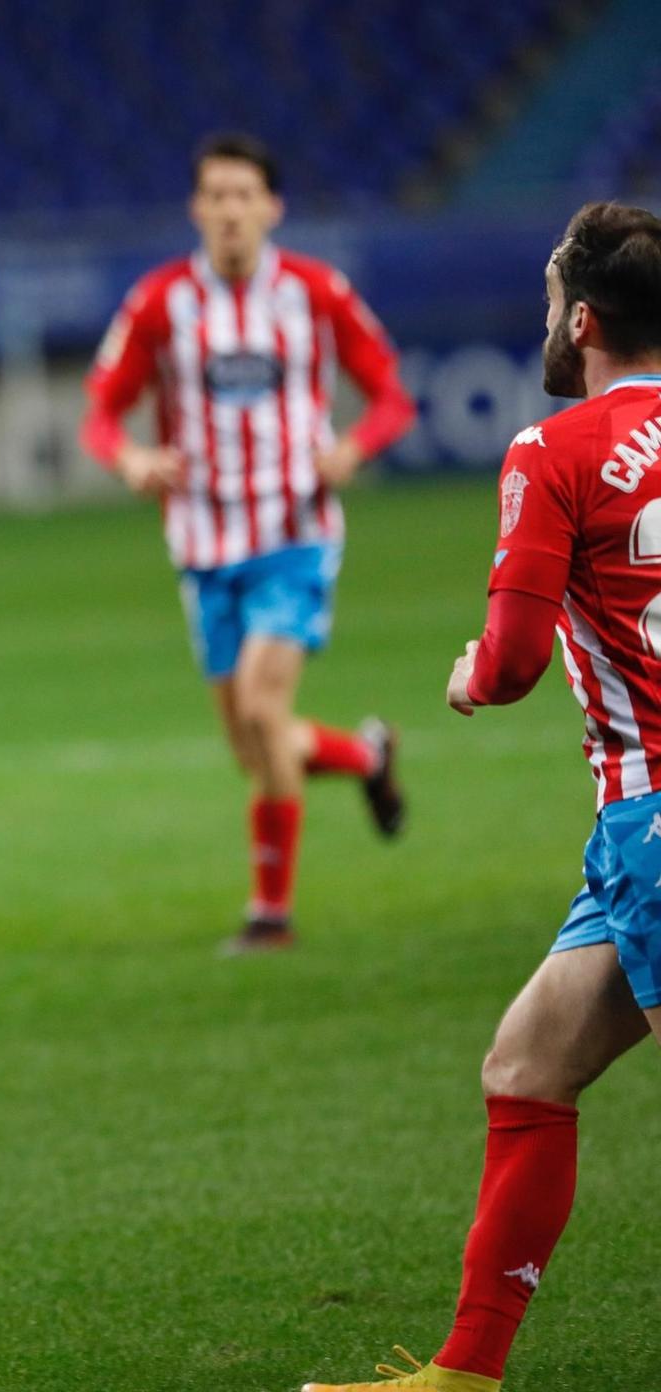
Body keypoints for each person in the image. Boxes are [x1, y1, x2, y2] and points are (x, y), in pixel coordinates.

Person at [303, 202, 661, 1392]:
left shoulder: (547, 453)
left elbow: (507, 667)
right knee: (526, 1068)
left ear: (584, 318)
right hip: (630, 849)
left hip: (652, 819)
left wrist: (465, 671)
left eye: (552, 297)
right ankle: (464, 1374)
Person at [80, 133, 416, 954]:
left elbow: (390, 397)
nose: (230, 210)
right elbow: (99, 410)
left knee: (265, 713)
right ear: (197, 208)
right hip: (202, 544)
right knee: (254, 746)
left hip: (293, 534)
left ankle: (272, 914)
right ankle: (366, 757)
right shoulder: (160, 302)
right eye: (216, 196)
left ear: (272, 207)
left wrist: (352, 449)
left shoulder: (316, 292)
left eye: (244, 195)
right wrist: (129, 458)